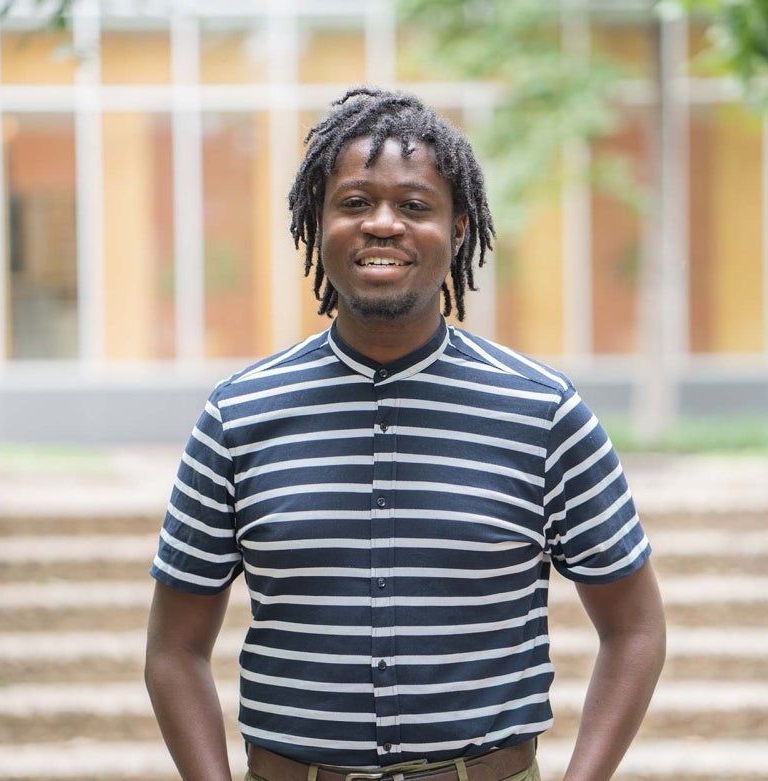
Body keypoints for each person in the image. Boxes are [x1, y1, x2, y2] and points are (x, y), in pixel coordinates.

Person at [145, 86, 666, 781]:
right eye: (354, 202)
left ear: (457, 230)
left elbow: (635, 629)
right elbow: (173, 651)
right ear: (316, 221)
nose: (381, 224)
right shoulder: (237, 418)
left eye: (414, 205)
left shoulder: (544, 414)